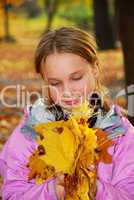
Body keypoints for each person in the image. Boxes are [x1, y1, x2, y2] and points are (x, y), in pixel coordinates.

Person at [0, 27, 134, 200]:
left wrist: (96, 189)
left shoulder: (121, 135)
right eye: (55, 83)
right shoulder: (30, 131)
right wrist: (53, 191)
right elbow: (13, 193)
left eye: (76, 78)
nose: (67, 91)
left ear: (95, 69)